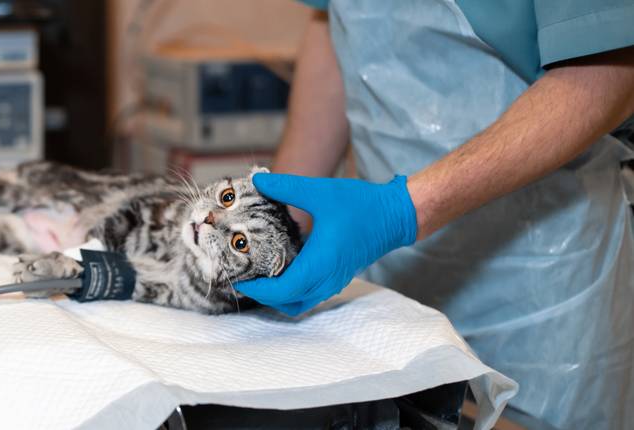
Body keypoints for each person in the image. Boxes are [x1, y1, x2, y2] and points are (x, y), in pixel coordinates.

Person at [234, 1, 634, 428]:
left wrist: (401, 210)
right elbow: (335, 22)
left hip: (542, 280)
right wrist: (285, 223)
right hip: (386, 271)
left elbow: (610, 73)